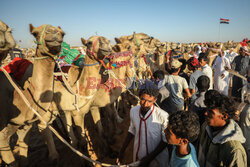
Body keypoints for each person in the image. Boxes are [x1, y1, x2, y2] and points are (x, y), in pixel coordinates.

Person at [117, 86, 169, 167]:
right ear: (139, 97)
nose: (145, 104)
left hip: (157, 159)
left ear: (155, 100)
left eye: (149, 101)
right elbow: (132, 130)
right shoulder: (133, 111)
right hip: (139, 155)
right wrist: (122, 151)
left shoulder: (163, 116)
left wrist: (148, 159)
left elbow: (165, 141)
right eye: (143, 99)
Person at [198, 90, 247, 167]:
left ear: (224, 116)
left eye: (210, 112)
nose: (205, 113)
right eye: (206, 109)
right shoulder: (206, 127)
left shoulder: (234, 150)